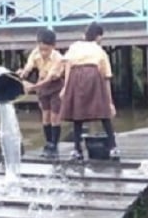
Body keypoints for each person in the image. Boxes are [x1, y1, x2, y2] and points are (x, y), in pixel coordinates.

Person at [59, 22, 120, 162]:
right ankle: (113, 147)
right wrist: (110, 102)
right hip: (93, 75)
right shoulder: (99, 50)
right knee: (104, 112)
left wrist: (65, 87)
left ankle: (77, 149)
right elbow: (106, 77)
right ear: (98, 37)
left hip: (75, 76)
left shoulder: (75, 46)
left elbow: (68, 66)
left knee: (77, 115)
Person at [18, 29, 64, 158]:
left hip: (55, 86)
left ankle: (54, 144)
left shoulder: (58, 58)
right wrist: (23, 74)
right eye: (41, 49)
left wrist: (32, 87)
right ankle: (48, 142)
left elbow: (50, 79)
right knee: (45, 116)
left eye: (46, 50)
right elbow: (28, 67)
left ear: (53, 47)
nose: (43, 53)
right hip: (42, 84)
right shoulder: (35, 53)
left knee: (54, 116)